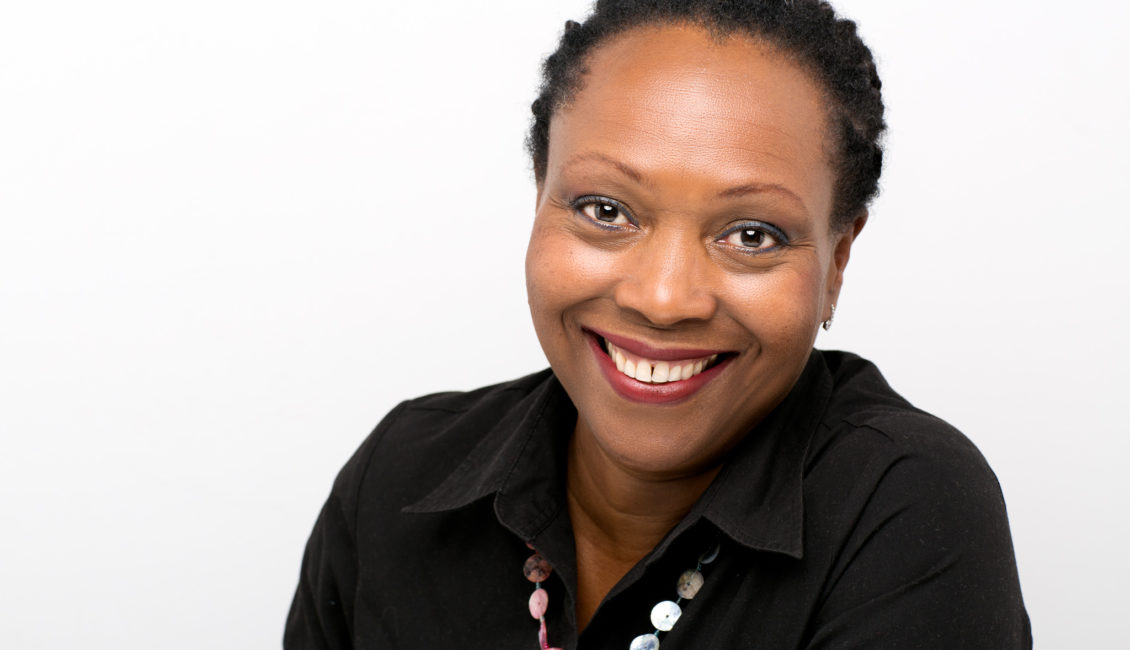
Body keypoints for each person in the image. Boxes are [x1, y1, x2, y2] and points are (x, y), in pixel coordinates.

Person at [285, 0, 1031, 647]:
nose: (665, 298)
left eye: (751, 235)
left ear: (837, 261)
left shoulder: (906, 505)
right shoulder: (399, 476)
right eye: (605, 210)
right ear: (539, 197)